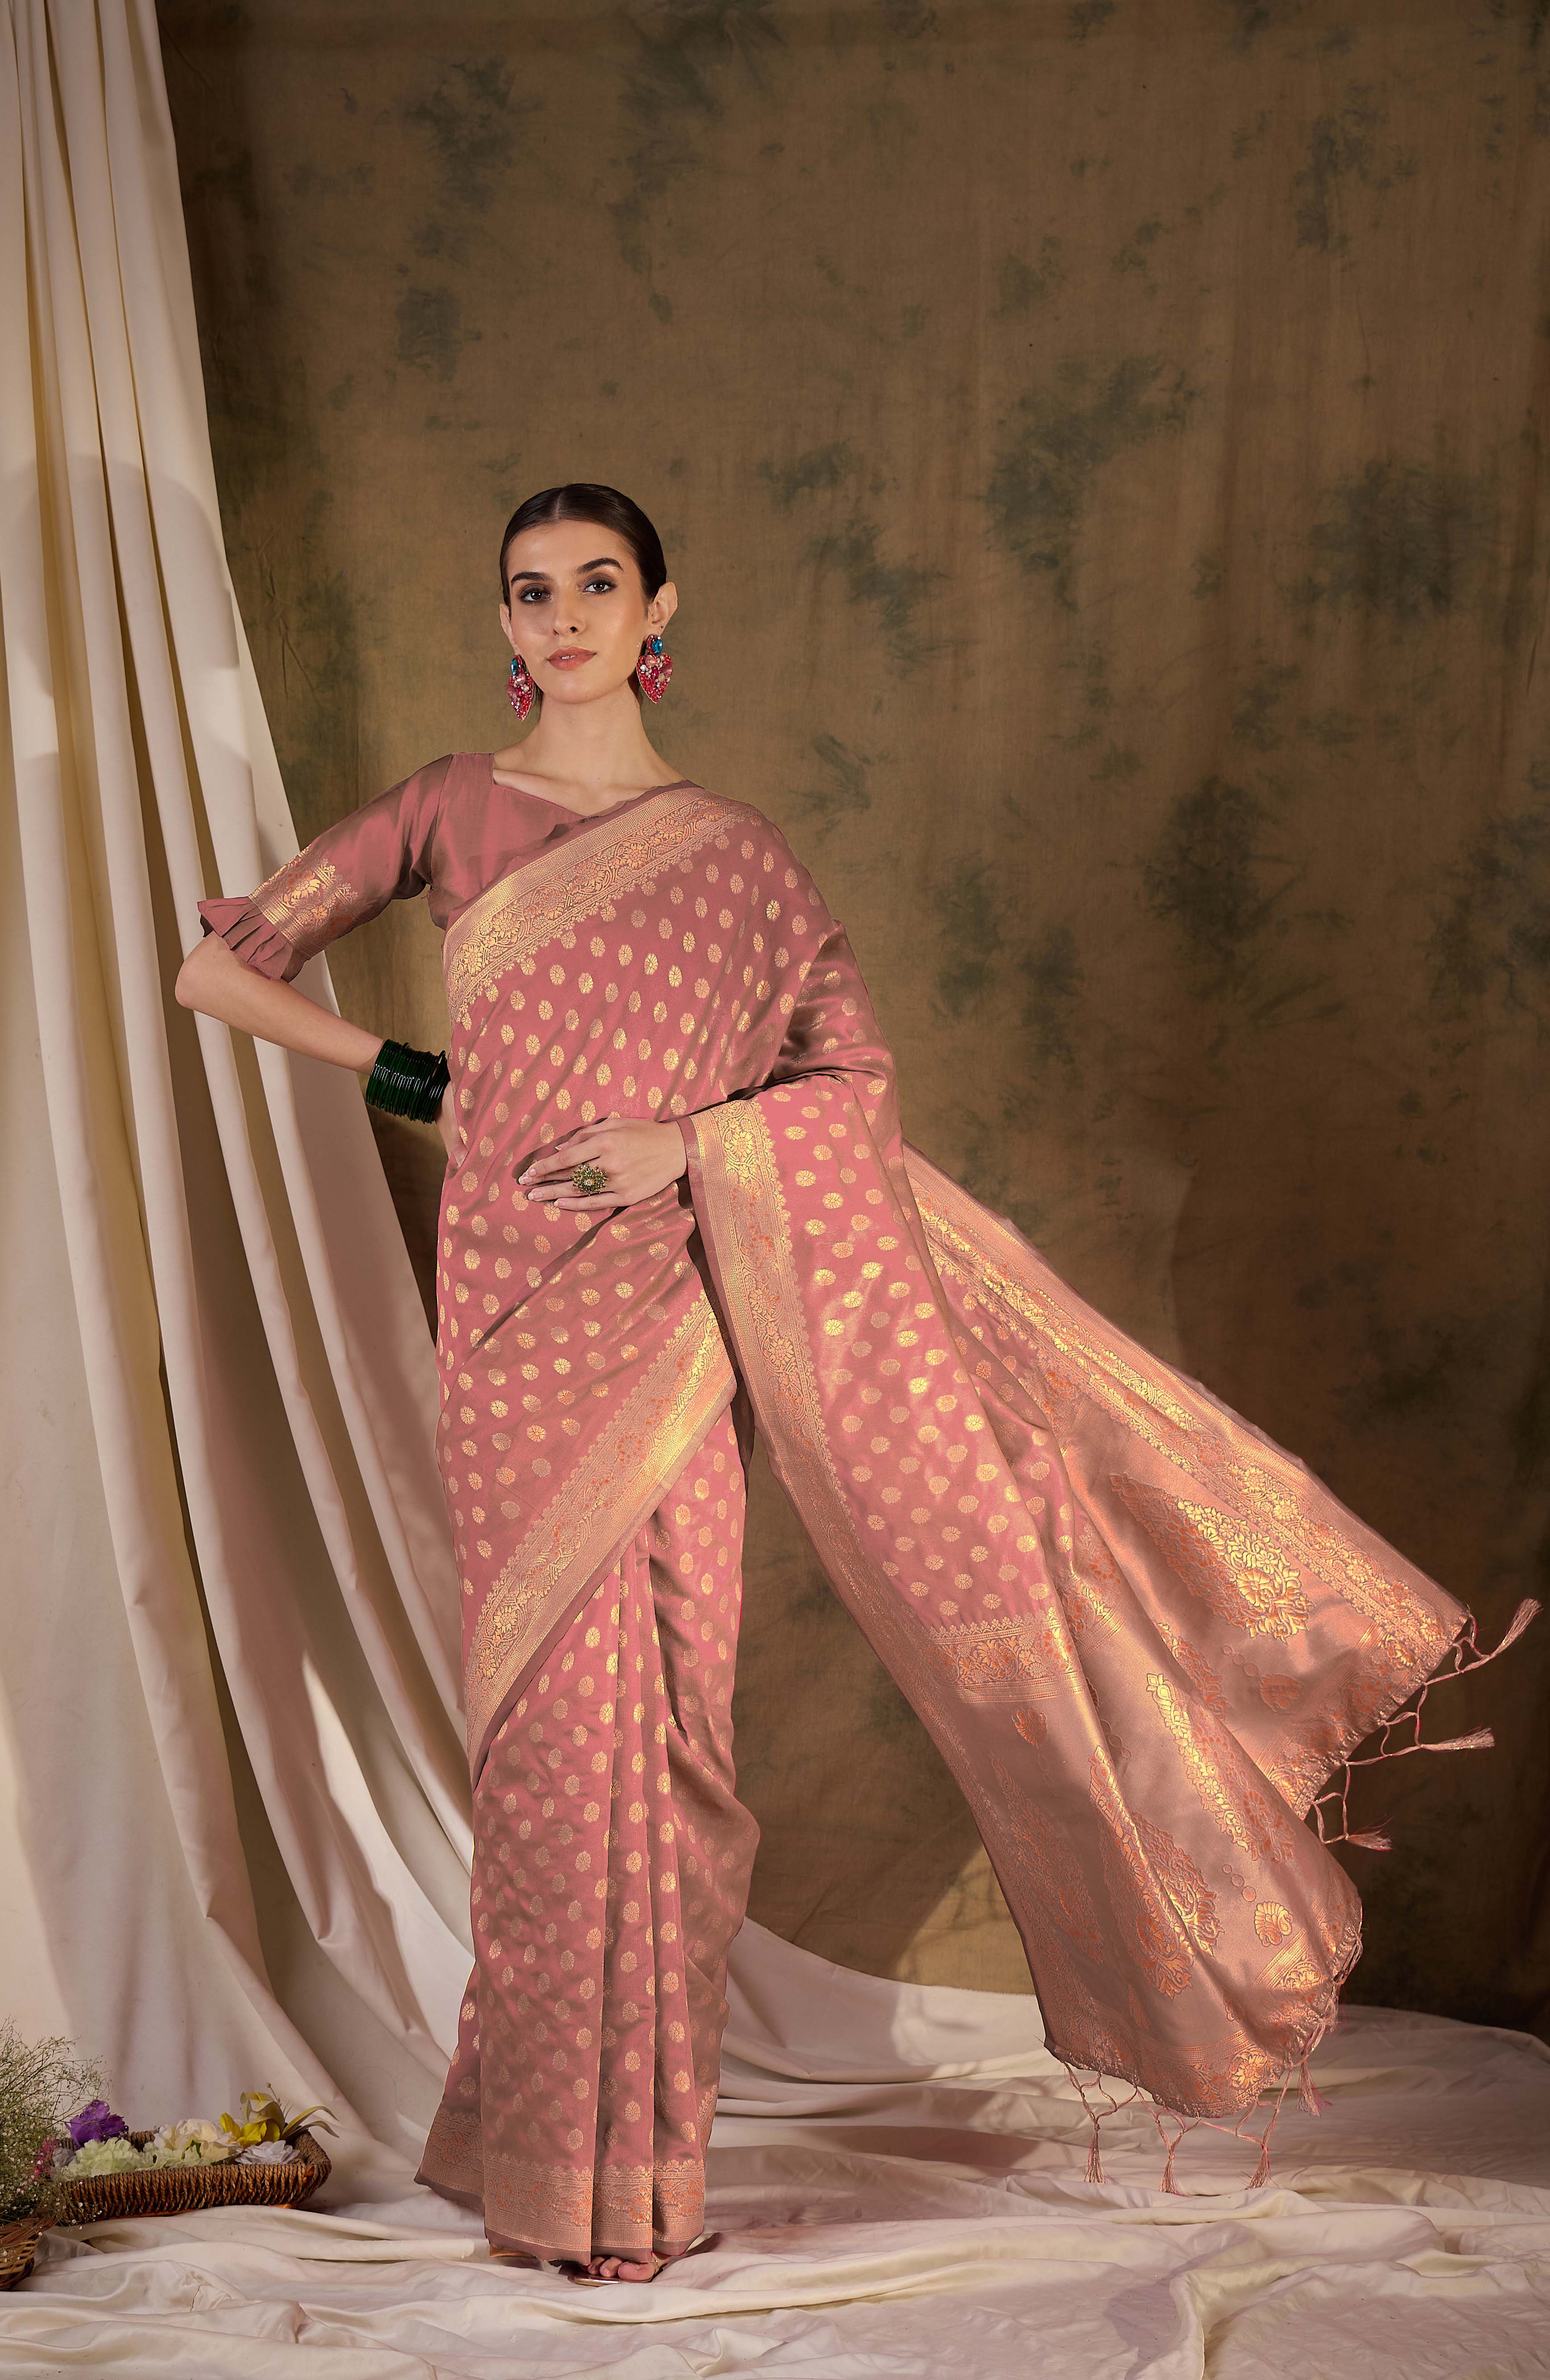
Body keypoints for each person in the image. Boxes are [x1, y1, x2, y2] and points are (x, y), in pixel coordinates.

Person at [176, 482, 1505, 2281]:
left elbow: (849, 1089)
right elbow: (219, 968)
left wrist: (689, 1145)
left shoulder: (740, 857)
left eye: (595, 583)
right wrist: (423, 1079)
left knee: (674, 1747)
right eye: (530, 591)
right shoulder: (445, 807)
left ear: (659, 607)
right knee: (552, 1755)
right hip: (510, 1324)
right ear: (503, 626)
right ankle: (546, 2167)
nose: (562, 617)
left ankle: (639, 2179)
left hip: (678, 1321)